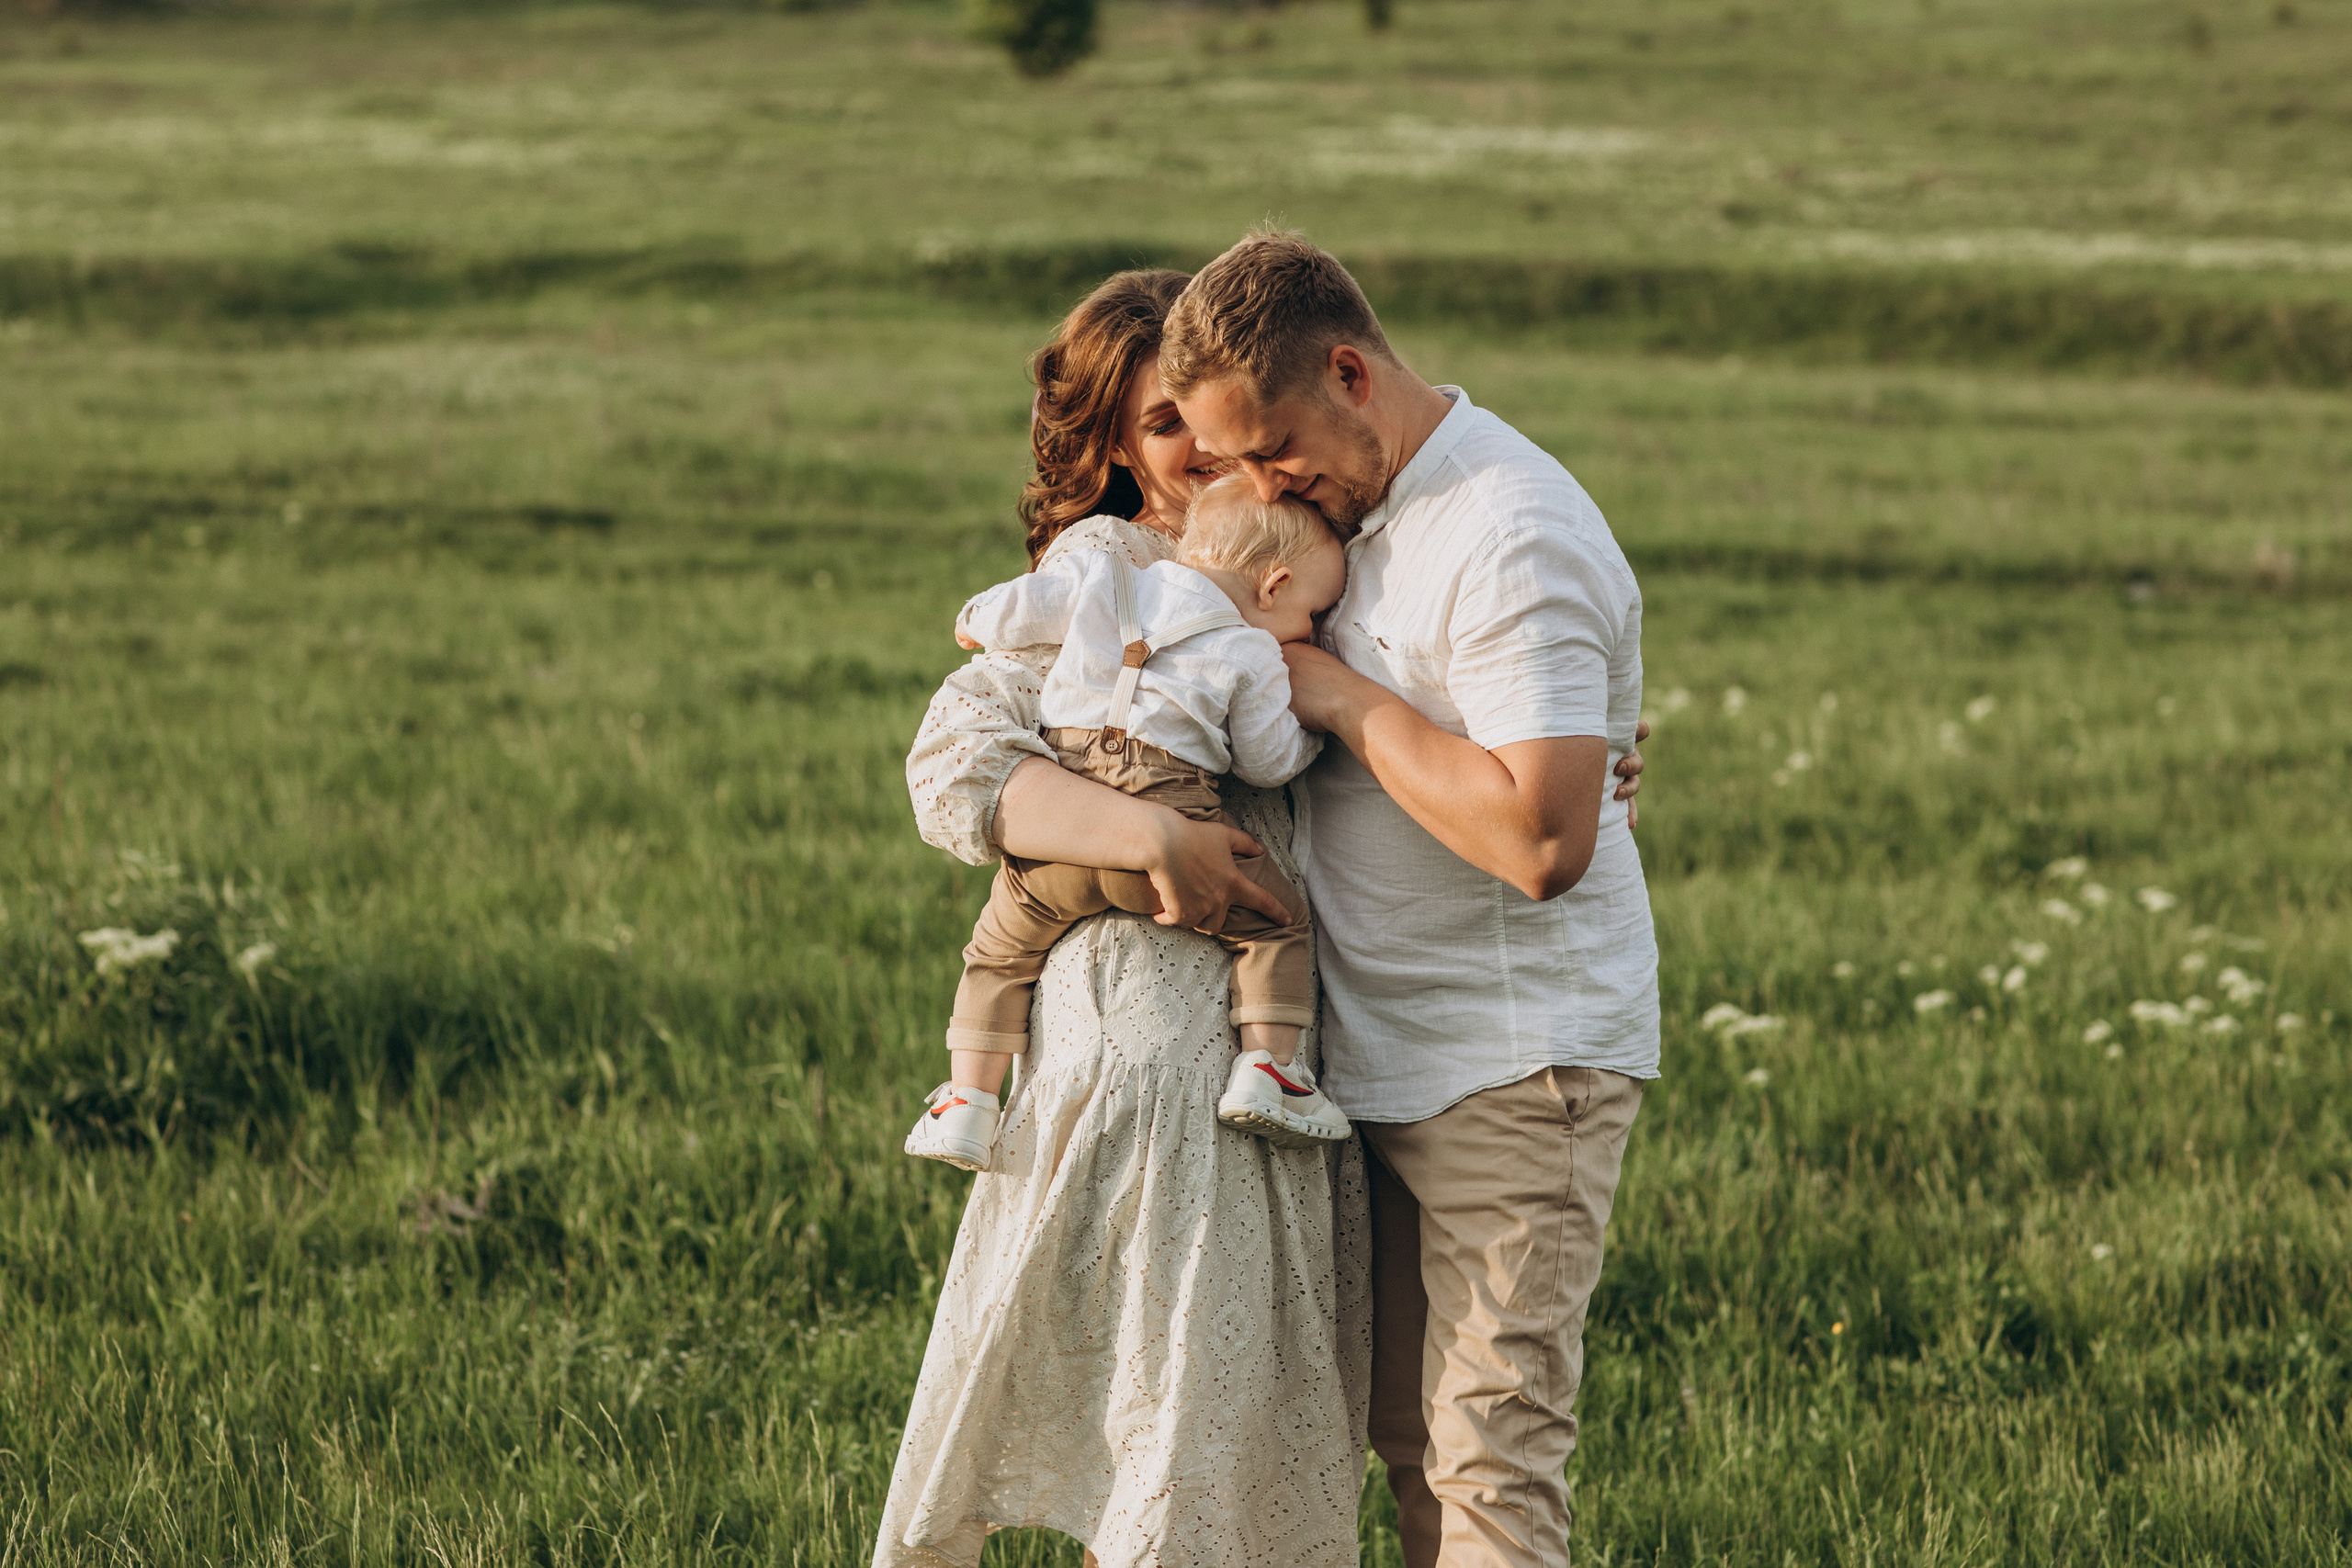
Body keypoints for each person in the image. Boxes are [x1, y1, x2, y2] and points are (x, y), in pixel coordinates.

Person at [878, 265, 1646, 1568]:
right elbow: (957, 763)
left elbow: (1509, 758)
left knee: (1374, 1450)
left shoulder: (1331, 545)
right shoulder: (1118, 576)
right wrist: (1151, 838)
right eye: (1172, 428)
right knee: (1189, 1430)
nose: (1230, 464)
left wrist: (1580, 743)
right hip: (1172, 1061)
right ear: (1116, 452)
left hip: (1337, 1060)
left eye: (1237, 435)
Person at [1156, 227, 1660, 1568]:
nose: (1269, 487)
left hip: (1513, 1064)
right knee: (1410, 1448)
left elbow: (1542, 841)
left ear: (1349, 372)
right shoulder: (1359, 514)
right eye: (1241, 465)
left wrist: (1338, 694)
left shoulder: (1510, 529)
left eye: (1274, 450)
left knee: (1490, 1464)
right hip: (1377, 1061)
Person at [905, 475, 1353, 1172]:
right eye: (1314, 611)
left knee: (997, 953)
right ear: (1274, 585)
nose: (1312, 628)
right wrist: (1316, 738)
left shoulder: (1104, 578)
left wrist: (977, 617)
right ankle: (1271, 1073)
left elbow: (1027, 605)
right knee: (1276, 925)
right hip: (1174, 822)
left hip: (1070, 823)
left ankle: (968, 1101)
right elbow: (1267, 762)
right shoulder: (1252, 650)